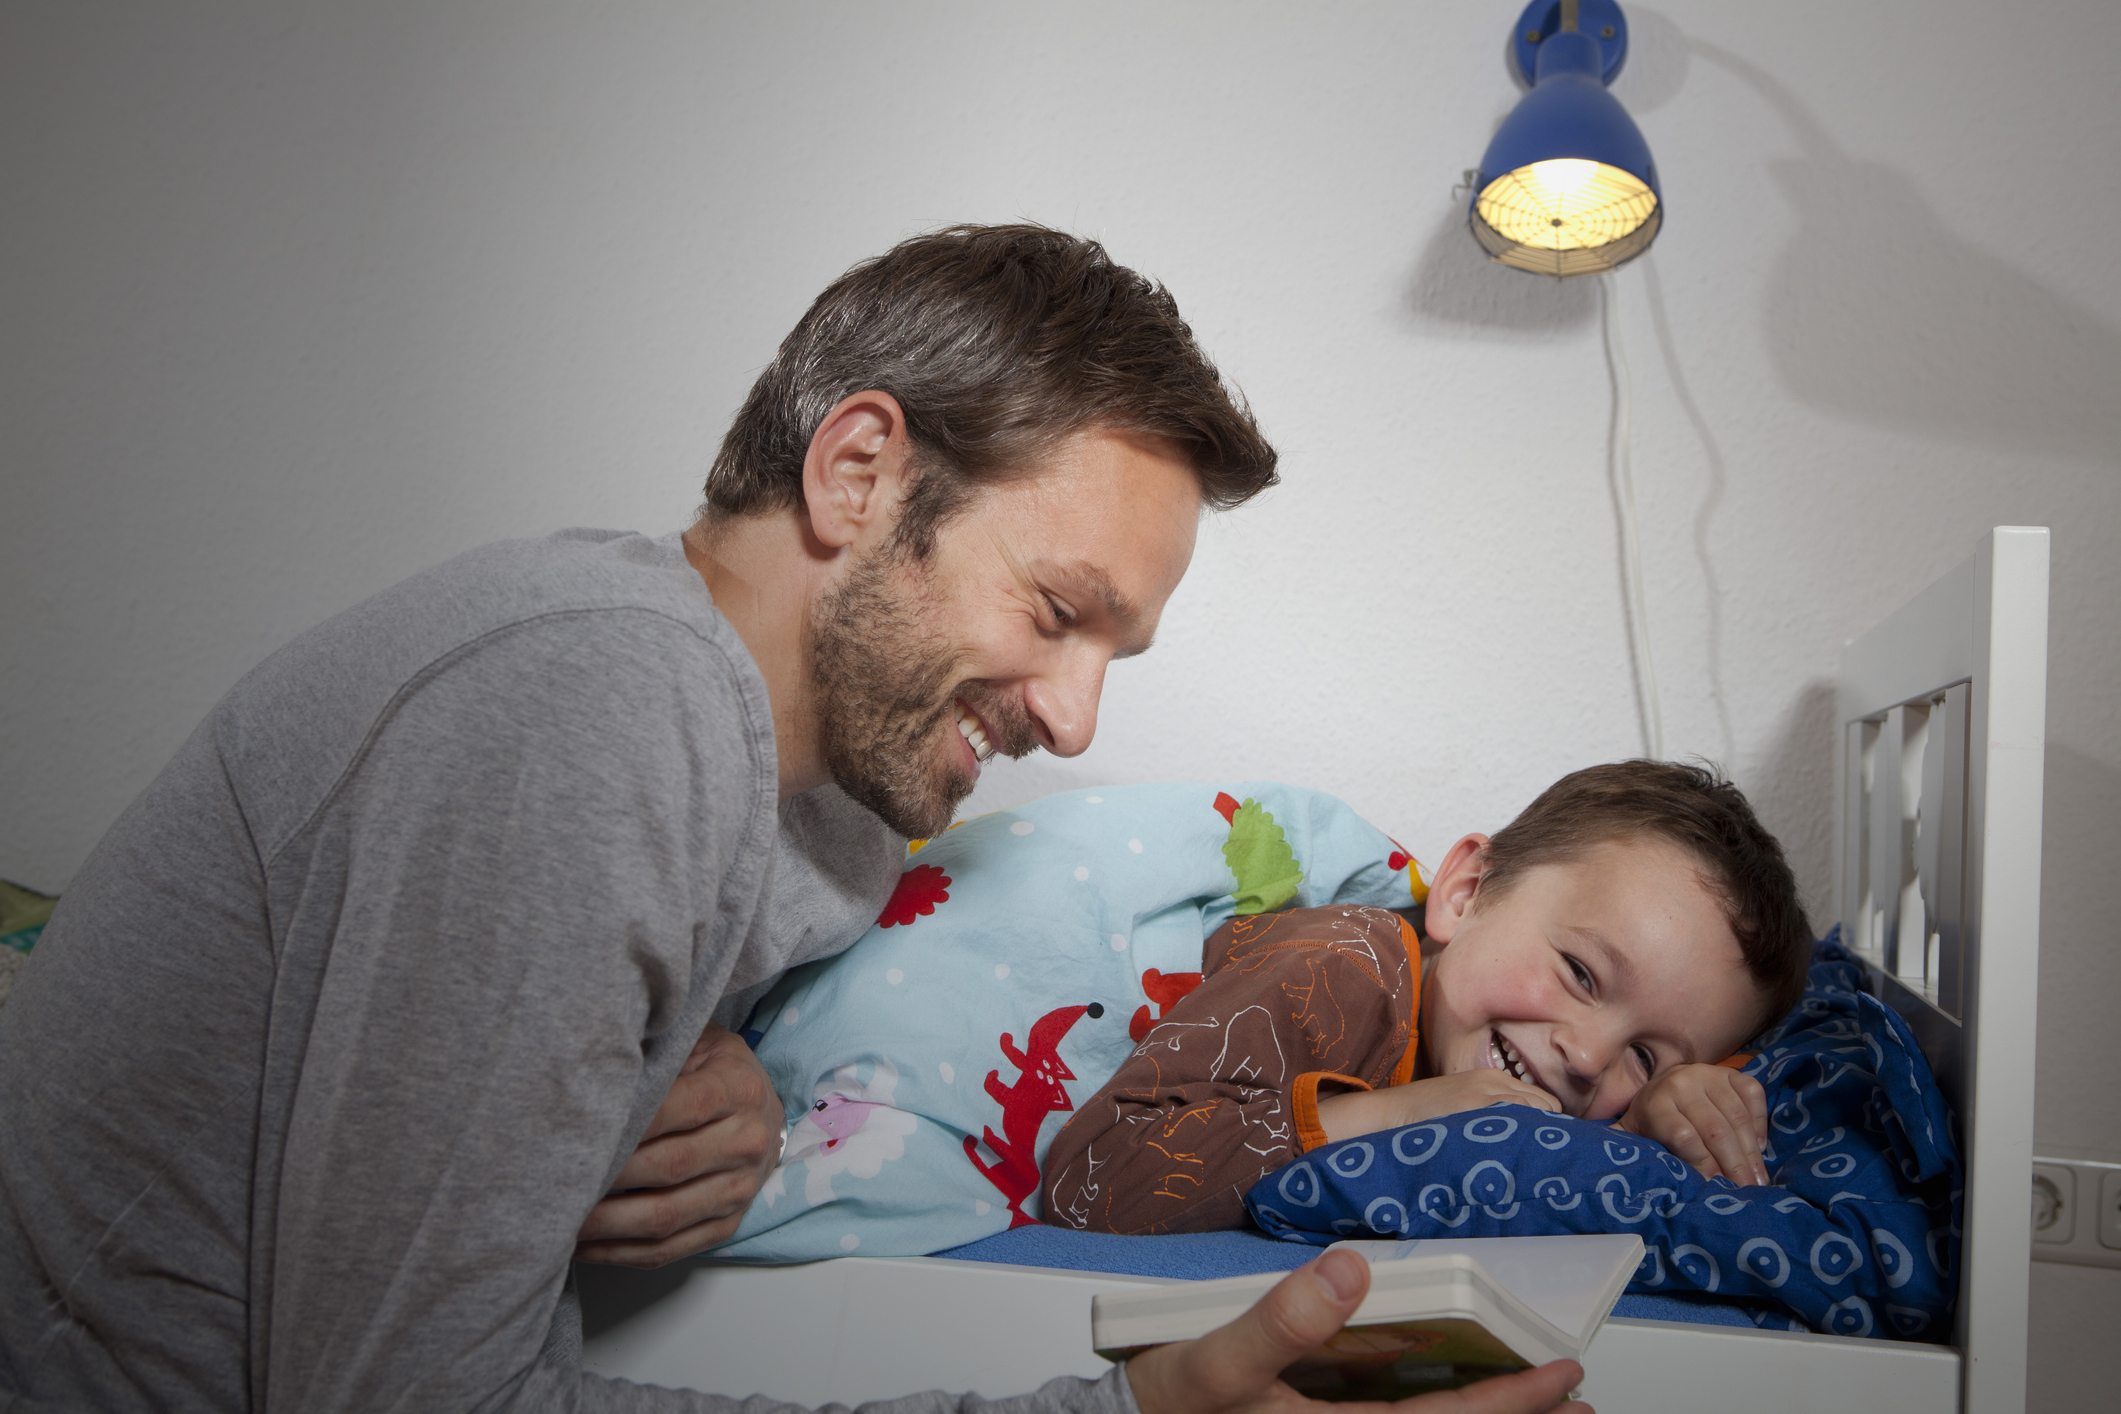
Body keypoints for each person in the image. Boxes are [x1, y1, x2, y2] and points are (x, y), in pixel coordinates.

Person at [0, 225, 1588, 1413]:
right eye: (1055, 609)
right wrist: (1129, 1404)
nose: (1075, 716)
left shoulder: (829, 818)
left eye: (1112, 652)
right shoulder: (600, 701)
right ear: (857, 472)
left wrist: (746, 1079)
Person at [1043, 761, 1813, 1236]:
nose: (1586, 1055)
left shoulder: (1555, 1088)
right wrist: (1399, 1111)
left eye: (1642, 1055)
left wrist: (1663, 1107)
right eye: (1579, 974)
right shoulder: (1342, 971)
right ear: (1466, 891)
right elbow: (1091, 1181)